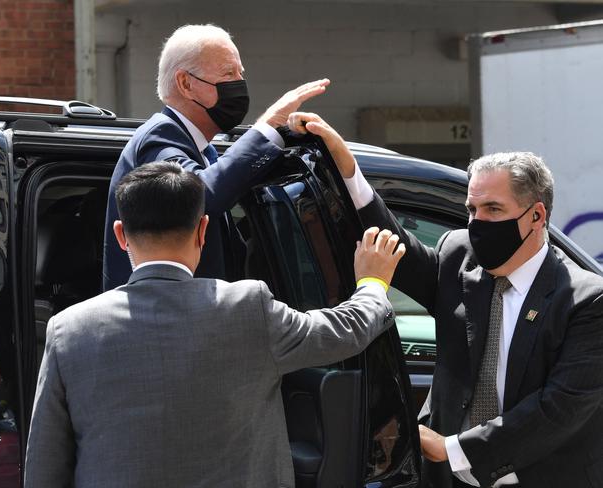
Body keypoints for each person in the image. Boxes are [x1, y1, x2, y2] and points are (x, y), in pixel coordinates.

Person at [24, 161, 406, 488]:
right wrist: (373, 282)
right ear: (203, 230)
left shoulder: (68, 329)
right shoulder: (246, 306)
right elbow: (345, 331)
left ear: (121, 235)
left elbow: (44, 468)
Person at [286, 112, 603, 488]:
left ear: (536, 215)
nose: (476, 222)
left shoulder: (586, 299)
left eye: (493, 210)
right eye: (471, 209)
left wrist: (452, 449)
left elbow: (558, 411)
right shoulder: (459, 254)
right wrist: (347, 168)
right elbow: (397, 247)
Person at [103, 24, 330, 290]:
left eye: (240, 73)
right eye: (228, 73)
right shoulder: (161, 136)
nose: (239, 83)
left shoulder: (205, 149)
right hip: (165, 321)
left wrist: (286, 134)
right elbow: (197, 195)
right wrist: (269, 124)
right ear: (186, 83)